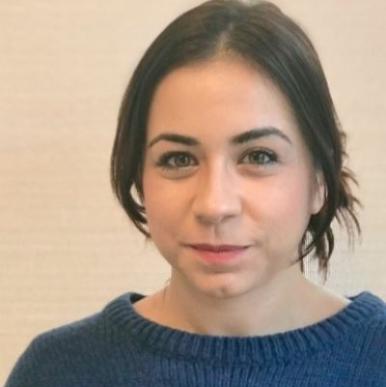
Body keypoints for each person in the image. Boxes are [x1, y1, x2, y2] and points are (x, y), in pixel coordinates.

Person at [5, 1, 386, 386]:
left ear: (320, 179)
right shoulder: (59, 371)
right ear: (139, 176)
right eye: (177, 159)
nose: (214, 205)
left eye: (259, 156)